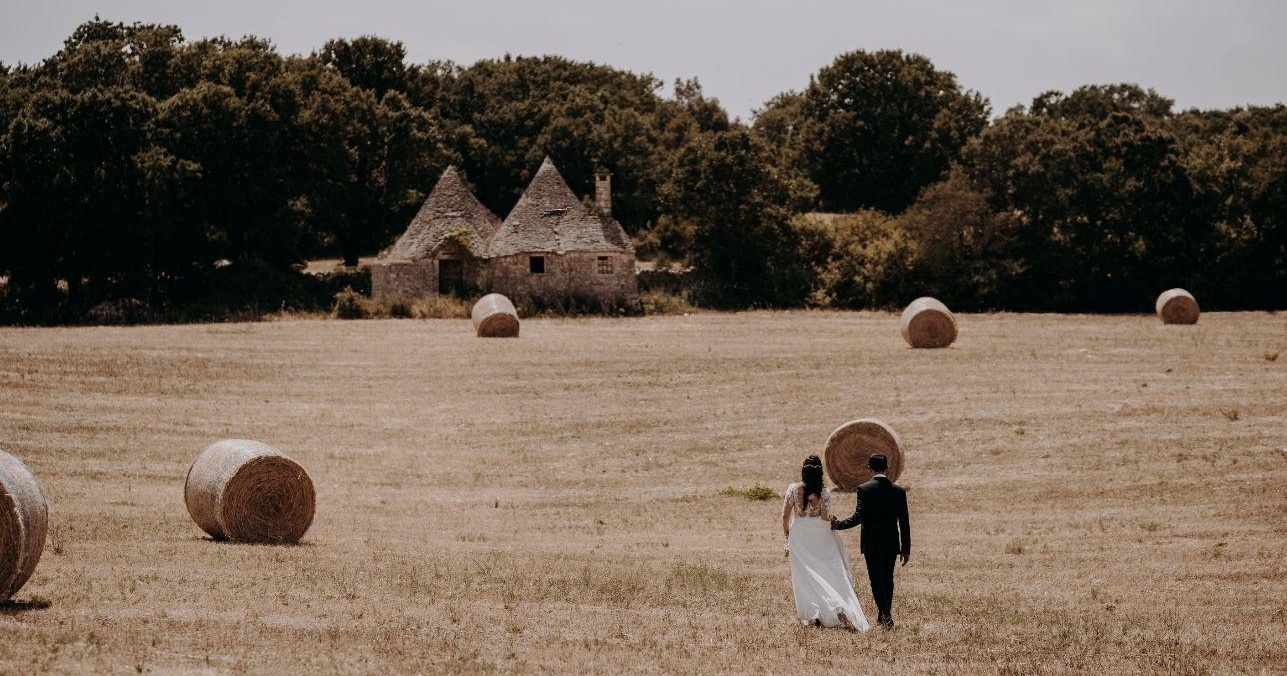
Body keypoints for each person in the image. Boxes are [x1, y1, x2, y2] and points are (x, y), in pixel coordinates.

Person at [781, 455, 869, 631]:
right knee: (827, 572)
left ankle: (814, 615)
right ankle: (838, 605)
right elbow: (824, 517)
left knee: (804, 576)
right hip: (820, 536)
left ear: (803, 471)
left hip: (800, 536)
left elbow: (785, 516)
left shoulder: (793, 489)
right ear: (820, 472)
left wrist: (787, 535)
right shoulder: (825, 493)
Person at [831, 453, 911, 628]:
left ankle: (885, 614)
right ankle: (885, 614)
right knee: (888, 579)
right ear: (887, 468)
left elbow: (859, 517)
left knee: (875, 580)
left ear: (870, 468)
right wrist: (906, 548)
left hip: (872, 543)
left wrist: (838, 525)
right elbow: (904, 522)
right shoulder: (898, 491)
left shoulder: (864, 489)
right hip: (891, 543)